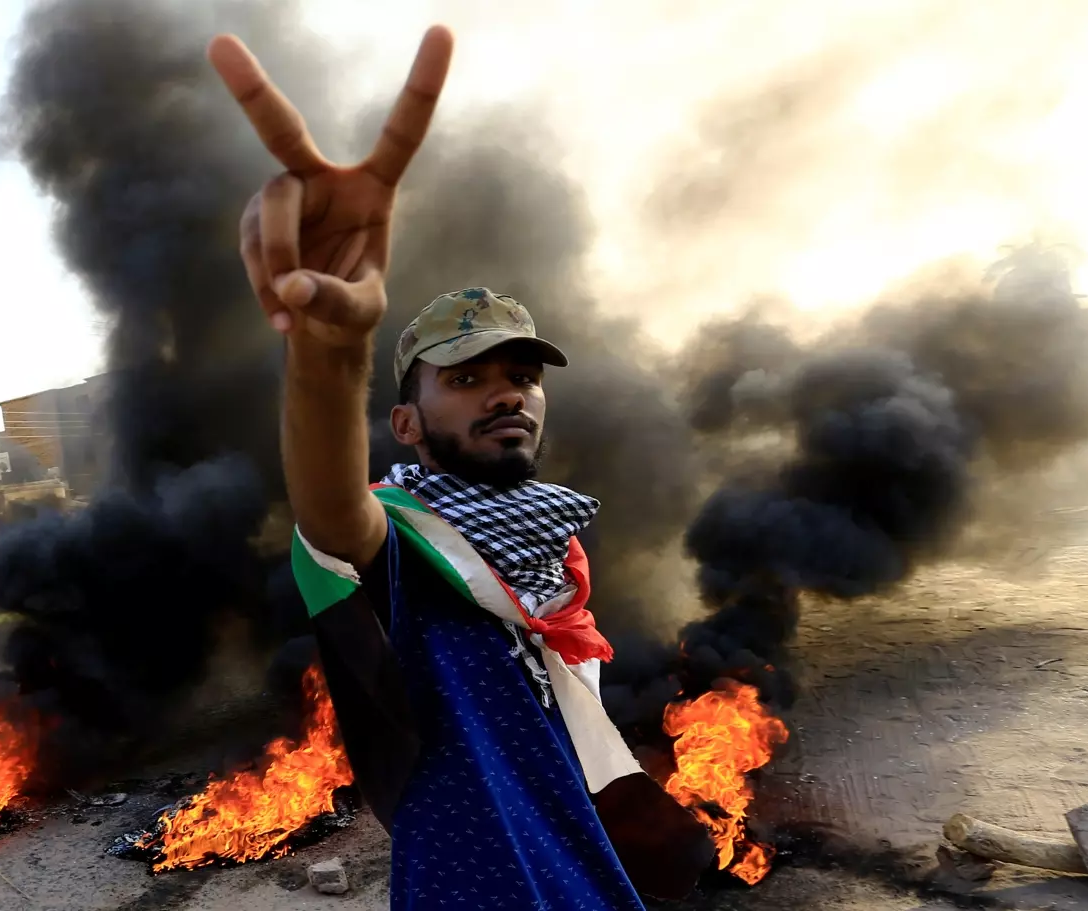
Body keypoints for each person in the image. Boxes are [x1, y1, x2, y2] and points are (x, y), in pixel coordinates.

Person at [207, 28, 713, 908]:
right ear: (405, 421)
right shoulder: (400, 544)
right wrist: (331, 353)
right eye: (467, 376)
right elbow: (332, 511)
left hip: (584, 875)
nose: (507, 393)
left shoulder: (554, 554)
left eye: (521, 375)